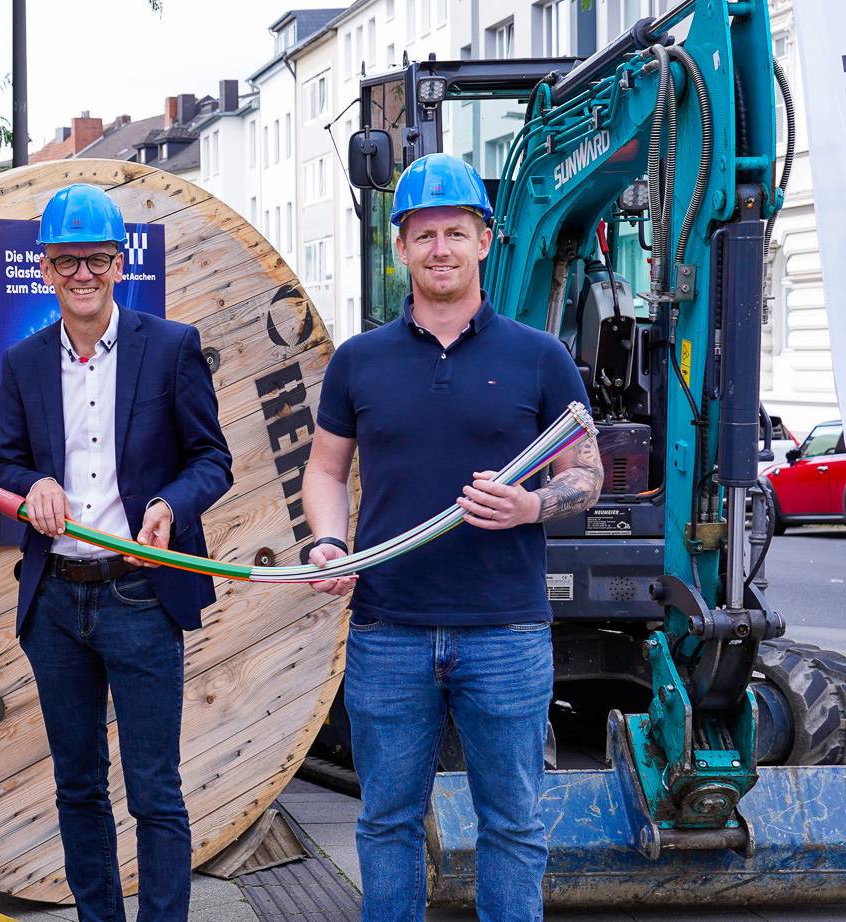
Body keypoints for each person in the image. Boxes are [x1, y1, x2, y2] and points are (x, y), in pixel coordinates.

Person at [301, 153, 602, 922]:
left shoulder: (540, 356)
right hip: (387, 627)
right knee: (387, 823)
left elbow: (588, 472)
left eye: (456, 232)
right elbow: (327, 472)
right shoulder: (358, 361)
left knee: (513, 824)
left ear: (484, 241)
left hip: (505, 631)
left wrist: (530, 507)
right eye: (424, 233)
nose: (440, 247)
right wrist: (329, 544)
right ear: (399, 247)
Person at [0, 183, 233, 922]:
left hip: (140, 598)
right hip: (57, 602)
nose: (83, 275)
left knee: (155, 789)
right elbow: (4, 464)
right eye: (67, 262)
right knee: (78, 785)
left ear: (120, 263)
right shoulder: (25, 361)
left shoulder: (172, 348)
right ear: (47, 266)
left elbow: (213, 460)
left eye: (96, 259)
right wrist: (35, 484)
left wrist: (167, 507)